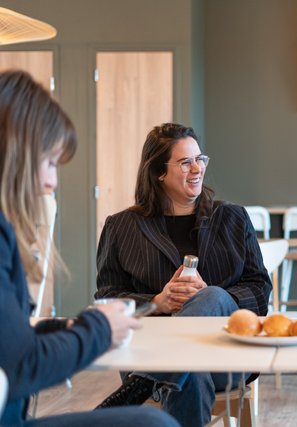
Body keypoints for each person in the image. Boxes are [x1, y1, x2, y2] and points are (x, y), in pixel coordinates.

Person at [0, 70, 178, 427]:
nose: (52, 181)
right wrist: (96, 328)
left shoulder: (228, 218)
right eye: (48, 162)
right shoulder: (121, 226)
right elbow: (21, 366)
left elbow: (10, 343)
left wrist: (72, 327)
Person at [94, 123, 271, 427]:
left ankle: (142, 384)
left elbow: (259, 290)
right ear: (159, 173)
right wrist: (158, 302)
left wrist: (216, 298)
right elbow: (107, 300)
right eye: (185, 162)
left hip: (226, 353)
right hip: (149, 351)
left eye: (200, 159)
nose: (197, 169)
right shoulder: (121, 226)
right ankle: (163, 370)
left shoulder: (232, 218)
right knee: (191, 369)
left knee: (212, 295)